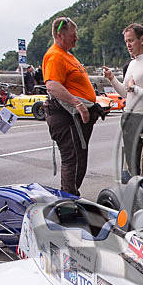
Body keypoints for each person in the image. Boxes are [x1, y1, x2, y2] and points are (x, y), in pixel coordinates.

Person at [42, 16, 100, 196]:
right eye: (73, 35)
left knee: (79, 159)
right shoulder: (55, 56)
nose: (76, 38)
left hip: (75, 118)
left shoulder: (67, 55)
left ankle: (71, 196)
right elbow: (52, 85)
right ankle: (68, 201)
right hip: (66, 117)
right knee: (73, 159)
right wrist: (78, 103)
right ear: (60, 35)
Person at [103, 23, 143, 177]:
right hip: (129, 119)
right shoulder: (132, 64)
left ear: (142, 40)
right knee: (132, 167)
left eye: (131, 41)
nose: (128, 45)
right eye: (126, 41)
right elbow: (125, 93)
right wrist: (112, 79)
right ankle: (135, 196)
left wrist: (134, 88)